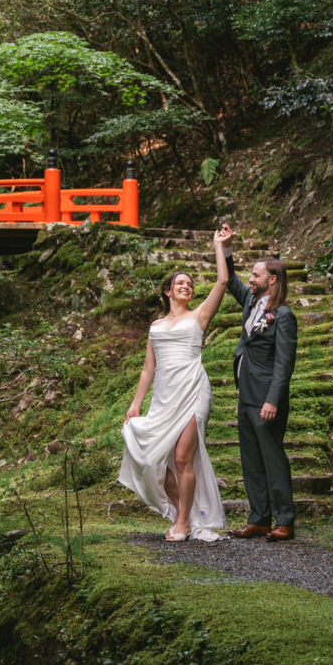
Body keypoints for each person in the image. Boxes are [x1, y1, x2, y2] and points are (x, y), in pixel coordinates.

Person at [118, 228, 232, 541]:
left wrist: (219, 246)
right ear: (168, 291)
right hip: (165, 397)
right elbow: (147, 369)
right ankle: (189, 514)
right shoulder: (155, 327)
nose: (186, 286)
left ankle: (182, 523)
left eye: (190, 284)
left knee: (183, 458)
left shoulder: (200, 316)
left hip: (193, 389)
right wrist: (135, 403)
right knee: (154, 459)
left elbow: (222, 282)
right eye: (180, 282)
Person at [216, 223, 298, 542]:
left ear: (272, 279)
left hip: (266, 399)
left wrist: (273, 400)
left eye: (256, 275)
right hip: (245, 396)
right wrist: (226, 247)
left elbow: (284, 363)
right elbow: (231, 278)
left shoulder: (284, 316)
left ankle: (285, 519)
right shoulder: (251, 303)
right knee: (250, 458)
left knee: (272, 457)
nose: (250, 279)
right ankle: (259, 517)